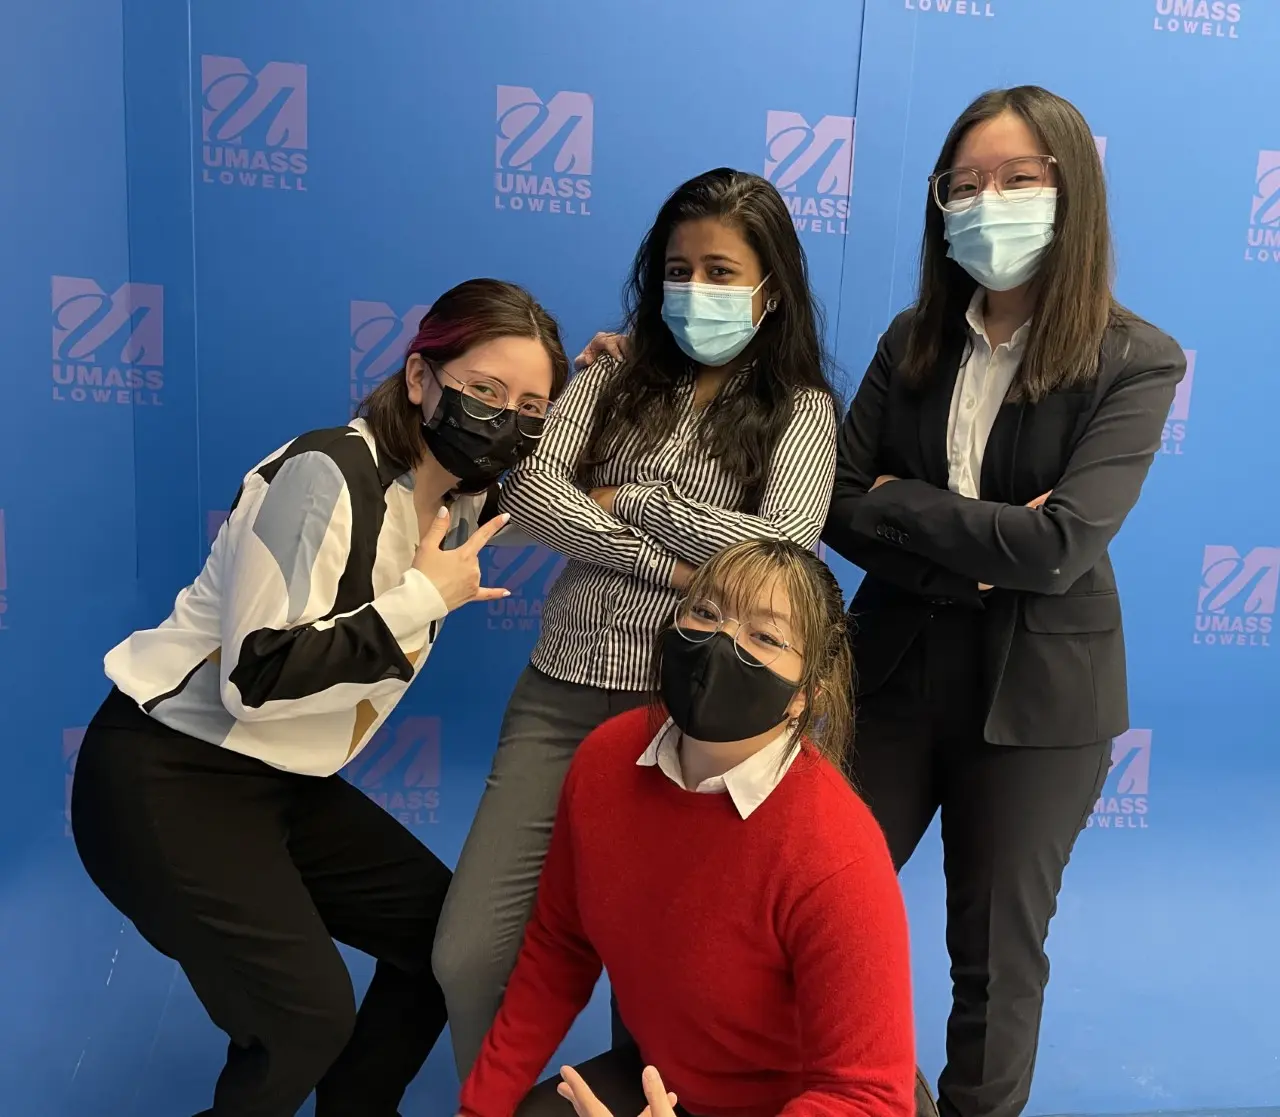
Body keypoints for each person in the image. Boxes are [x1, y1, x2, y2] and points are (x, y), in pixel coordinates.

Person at [70, 279, 570, 1117]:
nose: (504, 419)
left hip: (275, 783)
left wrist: (593, 377)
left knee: (443, 946)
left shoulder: (460, 498)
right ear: (420, 378)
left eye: (529, 408)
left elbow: (573, 482)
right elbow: (256, 677)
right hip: (165, 775)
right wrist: (420, 598)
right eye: (484, 391)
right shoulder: (326, 473)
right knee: (304, 1020)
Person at [819, 87, 1187, 1117]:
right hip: (890, 669)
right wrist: (976, 549)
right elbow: (837, 506)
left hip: (1039, 696)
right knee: (815, 895)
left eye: (1017, 179)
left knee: (989, 950)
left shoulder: (1134, 357)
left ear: (1071, 193)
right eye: (965, 183)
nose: (988, 202)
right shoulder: (909, 341)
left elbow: (1062, 541)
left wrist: (909, 507)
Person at [432, 167, 841, 1076]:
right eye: (680, 267)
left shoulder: (801, 411)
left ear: (771, 287)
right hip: (558, 698)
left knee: (660, 983)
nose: (697, 289)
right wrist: (673, 558)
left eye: (723, 271)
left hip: (693, 719)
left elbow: (778, 549)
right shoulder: (611, 373)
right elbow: (533, 497)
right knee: (468, 955)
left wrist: (637, 497)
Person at [456, 539, 917, 1117]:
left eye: (766, 637)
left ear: (804, 697)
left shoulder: (835, 854)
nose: (721, 643)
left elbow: (867, 1098)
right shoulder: (605, 759)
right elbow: (559, 947)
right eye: (706, 612)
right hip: (663, 1087)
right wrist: (480, 1111)